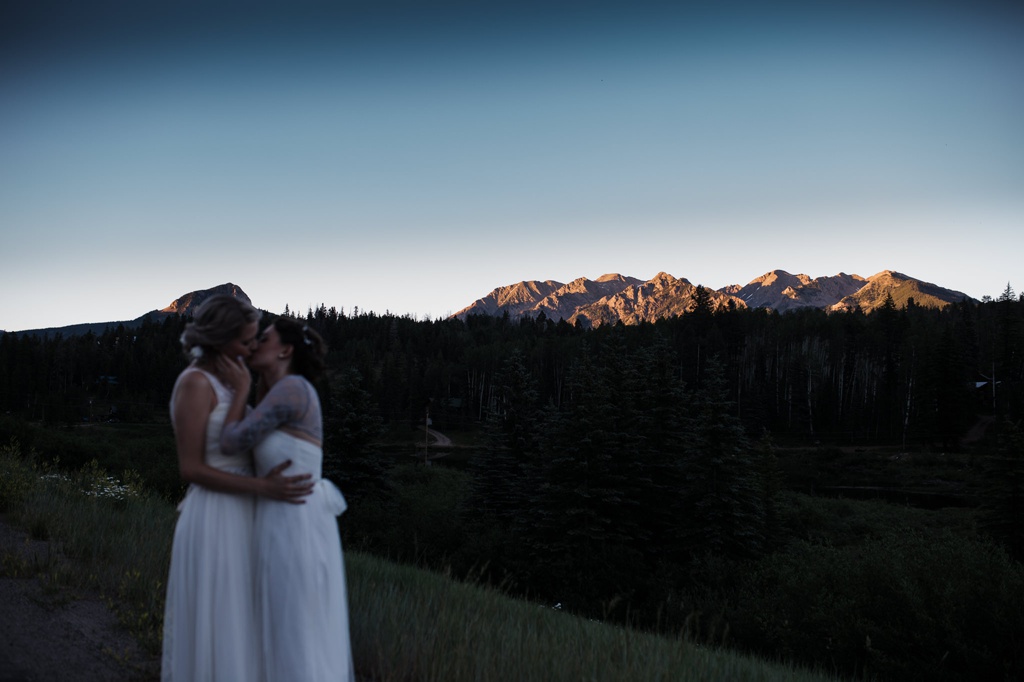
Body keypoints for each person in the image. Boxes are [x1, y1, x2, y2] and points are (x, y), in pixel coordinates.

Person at [162, 296, 314, 682]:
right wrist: (262, 486)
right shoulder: (195, 383)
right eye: (246, 341)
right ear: (221, 338)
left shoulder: (232, 382)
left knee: (243, 627)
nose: (251, 347)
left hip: (244, 514)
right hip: (214, 516)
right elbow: (191, 468)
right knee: (219, 625)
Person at [219, 317, 354, 682]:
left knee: (292, 628)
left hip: (296, 524)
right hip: (277, 519)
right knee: (276, 625)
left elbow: (230, 441)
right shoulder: (274, 392)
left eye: (263, 338)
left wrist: (242, 384)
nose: (254, 344)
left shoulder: (293, 389)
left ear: (285, 350)